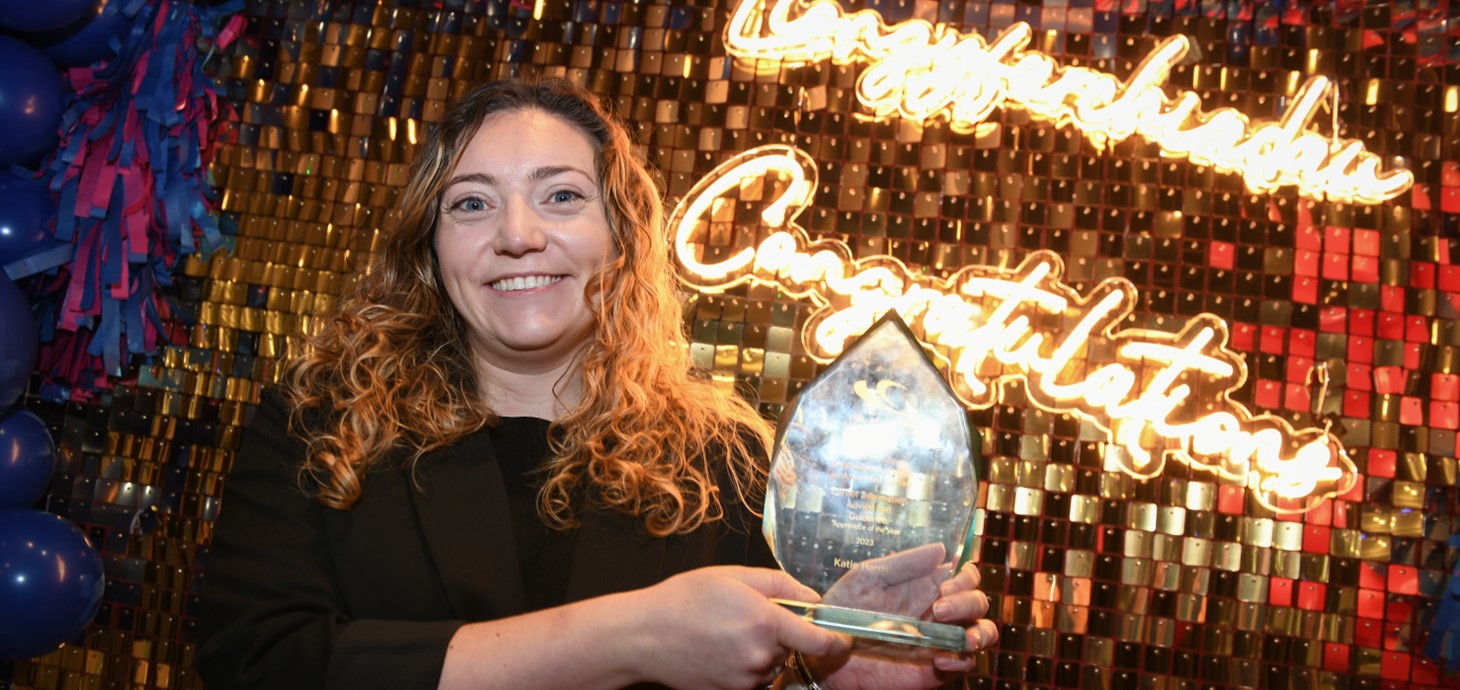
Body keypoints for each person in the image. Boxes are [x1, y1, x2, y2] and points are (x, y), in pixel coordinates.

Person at [195, 77, 998, 690]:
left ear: (621, 237)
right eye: (471, 204)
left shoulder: (728, 463)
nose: (518, 235)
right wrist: (632, 635)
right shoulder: (315, 427)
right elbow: (257, 663)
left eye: (563, 196)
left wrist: (843, 666)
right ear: (429, 249)